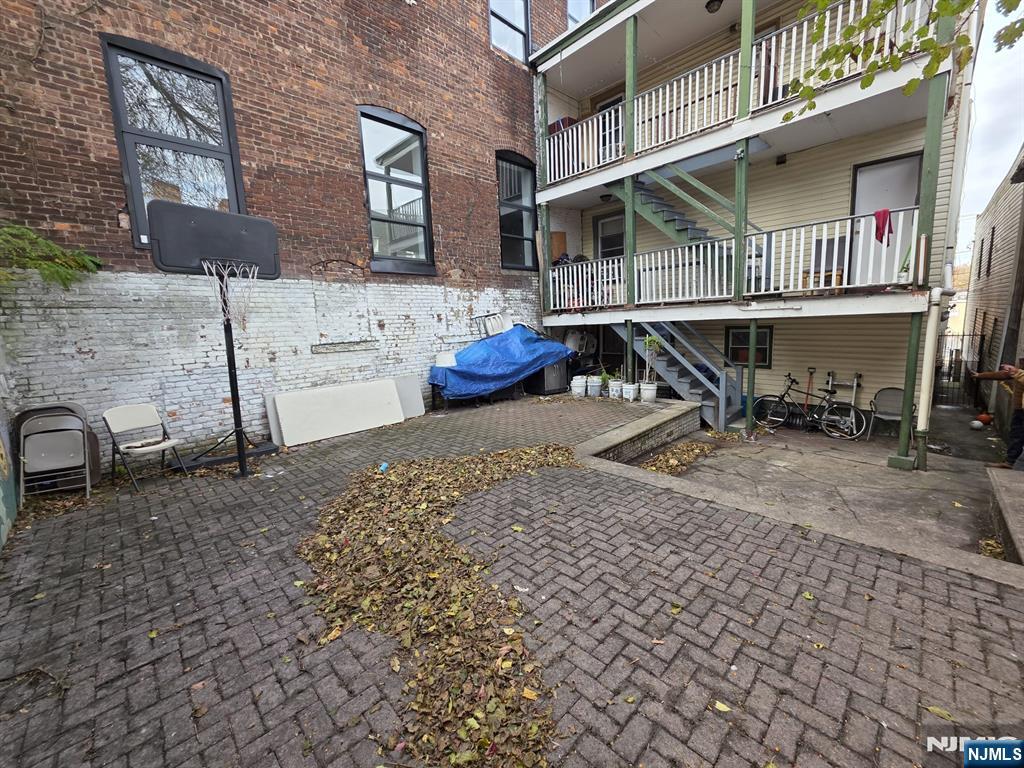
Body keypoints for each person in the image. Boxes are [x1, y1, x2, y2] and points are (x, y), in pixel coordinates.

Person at [972, 363, 1024, 468]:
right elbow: (1003, 375)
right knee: (1016, 435)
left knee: (1017, 435)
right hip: (1020, 409)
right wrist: (980, 375)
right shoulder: (1020, 368)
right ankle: (1010, 461)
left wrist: (1016, 372)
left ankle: (1010, 461)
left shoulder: (1019, 372)